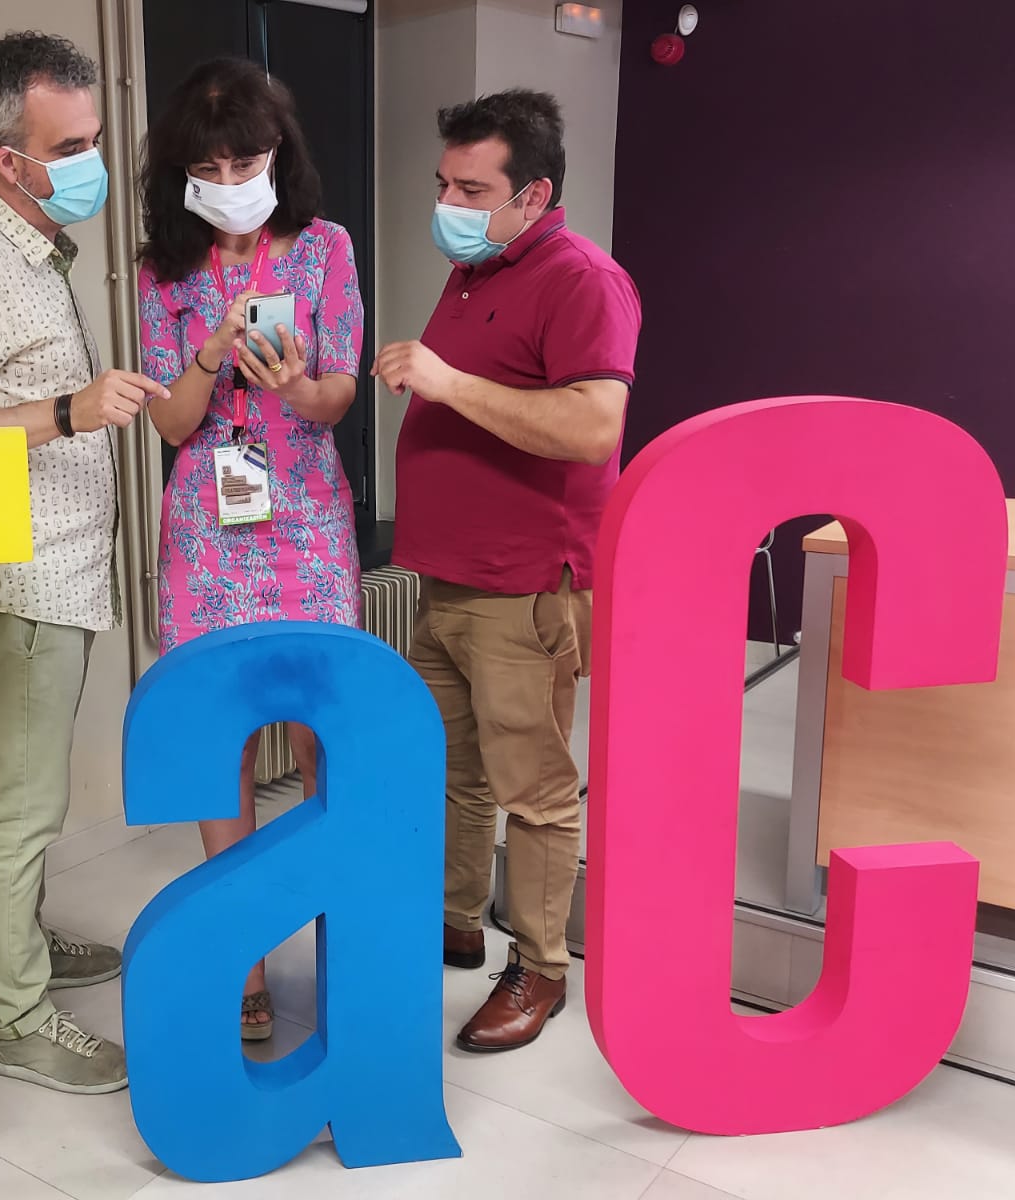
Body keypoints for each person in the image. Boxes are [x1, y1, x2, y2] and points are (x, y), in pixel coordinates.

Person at [0, 30, 169, 1095]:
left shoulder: (33, 252)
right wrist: (68, 411)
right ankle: (15, 1019)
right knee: (20, 807)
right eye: (72, 146)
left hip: (56, 570)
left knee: (31, 796)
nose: (95, 161)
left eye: (95, 138)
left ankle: (26, 945)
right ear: (8, 159)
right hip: (16, 581)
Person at [377, 88, 641, 1054]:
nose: (447, 203)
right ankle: (454, 924)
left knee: (531, 787)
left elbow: (593, 425)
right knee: (453, 770)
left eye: (471, 189)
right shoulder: (476, 269)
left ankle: (540, 968)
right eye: (443, 183)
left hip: (526, 586)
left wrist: (447, 383)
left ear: (533, 196)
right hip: (445, 577)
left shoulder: (583, 280)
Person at [136, 58, 364, 1042]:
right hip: (208, 529)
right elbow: (170, 423)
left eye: (246, 160)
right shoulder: (163, 272)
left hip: (305, 517)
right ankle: (245, 962)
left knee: (323, 735)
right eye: (209, 166)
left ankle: (342, 940)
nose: (230, 180)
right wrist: (206, 353)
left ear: (279, 155)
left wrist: (295, 385)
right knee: (220, 737)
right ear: (182, 172)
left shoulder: (324, 249)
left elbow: (338, 394)